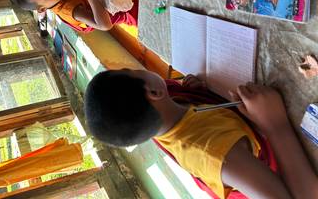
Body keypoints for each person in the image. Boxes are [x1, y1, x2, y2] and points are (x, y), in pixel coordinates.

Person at [84, 69, 318, 199]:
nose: (138, 68)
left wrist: (193, 91)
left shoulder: (162, 115)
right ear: (153, 92)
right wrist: (276, 125)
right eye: (133, 71)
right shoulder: (212, 150)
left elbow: (174, 95)